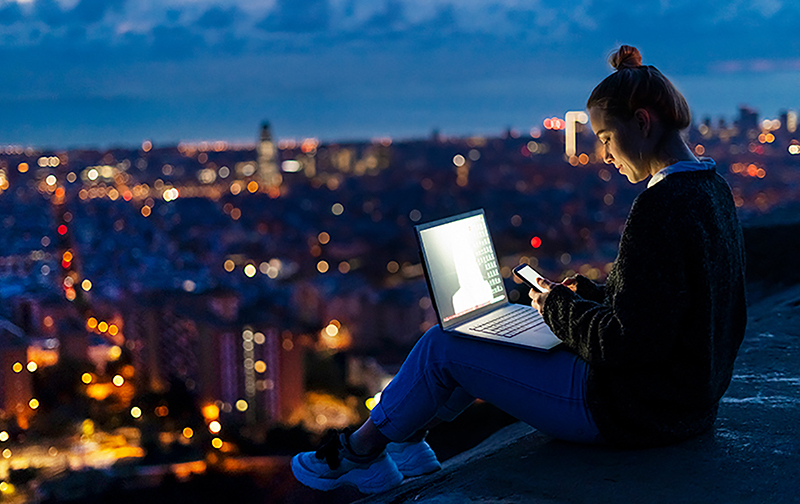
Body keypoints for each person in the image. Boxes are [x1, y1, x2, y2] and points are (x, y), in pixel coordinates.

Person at [291, 45, 747, 494]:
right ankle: (409, 441)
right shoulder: (712, 190)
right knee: (481, 335)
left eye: (606, 137)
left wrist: (557, 307)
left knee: (445, 344)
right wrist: (585, 295)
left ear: (642, 123)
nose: (604, 155)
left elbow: (623, 344)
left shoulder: (659, 206)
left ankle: (358, 453)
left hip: (632, 411)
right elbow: (672, 307)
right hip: (683, 405)